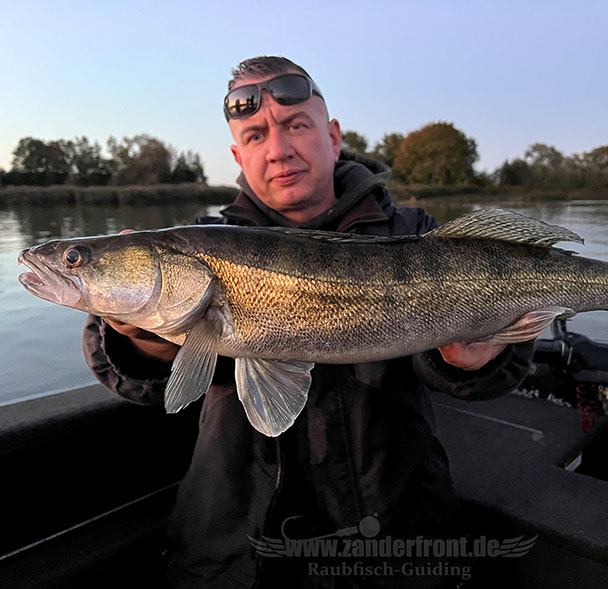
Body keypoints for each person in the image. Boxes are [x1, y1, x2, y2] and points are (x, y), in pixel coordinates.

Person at [83, 56, 534, 588]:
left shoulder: (415, 234)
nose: (278, 149)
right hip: (237, 553)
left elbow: (495, 371)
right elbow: (136, 380)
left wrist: (474, 359)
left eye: (296, 125)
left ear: (333, 137)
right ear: (238, 155)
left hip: (397, 543)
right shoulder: (196, 243)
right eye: (255, 135)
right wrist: (148, 341)